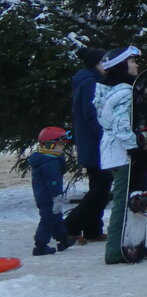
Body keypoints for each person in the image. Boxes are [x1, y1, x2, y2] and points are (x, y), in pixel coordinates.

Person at [96, 45, 147, 264]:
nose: (136, 65)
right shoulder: (125, 93)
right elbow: (121, 127)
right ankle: (115, 251)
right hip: (121, 153)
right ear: (121, 66)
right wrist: (135, 147)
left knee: (127, 198)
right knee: (122, 202)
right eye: (131, 62)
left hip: (111, 151)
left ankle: (132, 243)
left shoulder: (106, 90)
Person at [63, 48, 111, 244]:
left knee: (99, 186)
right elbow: (92, 115)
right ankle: (69, 226)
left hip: (91, 143)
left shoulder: (87, 80)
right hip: (96, 144)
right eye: (104, 62)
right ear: (97, 64)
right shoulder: (91, 83)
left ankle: (92, 229)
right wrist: (106, 135)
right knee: (100, 188)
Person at [30, 127, 76, 256]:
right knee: (48, 219)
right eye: (60, 144)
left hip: (46, 196)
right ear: (50, 145)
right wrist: (56, 197)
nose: (62, 147)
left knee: (56, 217)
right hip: (48, 197)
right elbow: (53, 182)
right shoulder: (50, 163)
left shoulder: (47, 159)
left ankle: (64, 239)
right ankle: (40, 246)